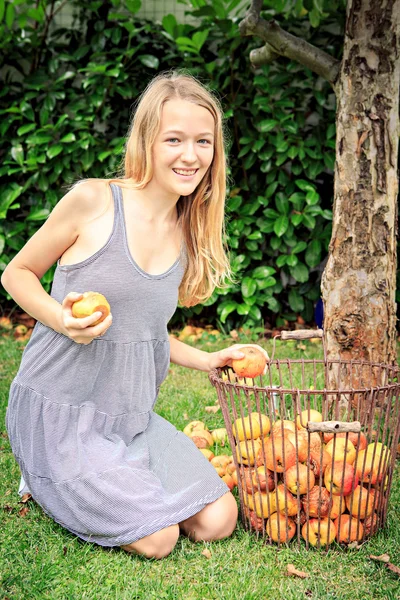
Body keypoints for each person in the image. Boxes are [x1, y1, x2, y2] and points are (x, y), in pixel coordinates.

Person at [2, 71, 268, 559]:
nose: (191, 156)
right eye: (175, 139)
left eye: (203, 142)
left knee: (218, 520)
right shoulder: (94, 201)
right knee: (158, 538)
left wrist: (210, 359)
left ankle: (107, 473)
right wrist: (61, 319)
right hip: (60, 414)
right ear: (147, 140)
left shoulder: (186, 232)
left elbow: (144, 333)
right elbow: (16, 273)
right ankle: (43, 480)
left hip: (129, 420)